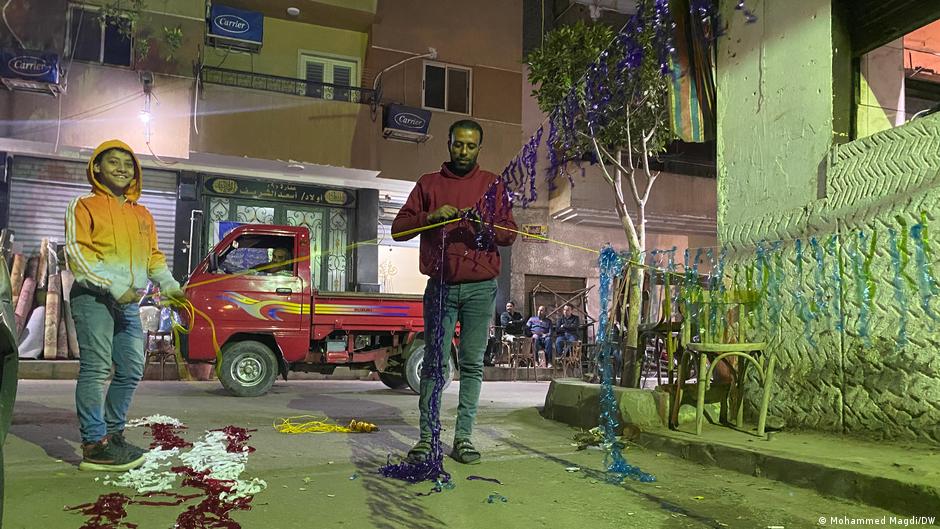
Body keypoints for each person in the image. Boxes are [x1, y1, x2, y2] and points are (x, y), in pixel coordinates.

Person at [392, 119, 516, 465]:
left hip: (480, 290)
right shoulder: (428, 184)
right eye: (458, 144)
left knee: (473, 365)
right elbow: (398, 229)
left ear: (479, 147)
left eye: (470, 145)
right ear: (448, 143)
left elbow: (510, 234)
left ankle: (463, 439)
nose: (463, 151)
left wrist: (483, 224)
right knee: (434, 363)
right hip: (441, 287)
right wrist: (431, 217)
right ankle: (427, 439)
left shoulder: (492, 184)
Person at [66, 140, 185, 472]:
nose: (121, 168)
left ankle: (113, 434)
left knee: (131, 368)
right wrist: (115, 286)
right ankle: (93, 443)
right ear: (97, 168)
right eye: (113, 162)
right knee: (96, 369)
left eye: (127, 163)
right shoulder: (83, 205)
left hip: (128, 305)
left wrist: (169, 285)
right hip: (94, 299)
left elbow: (154, 257)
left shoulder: (142, 214)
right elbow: (78, 255)